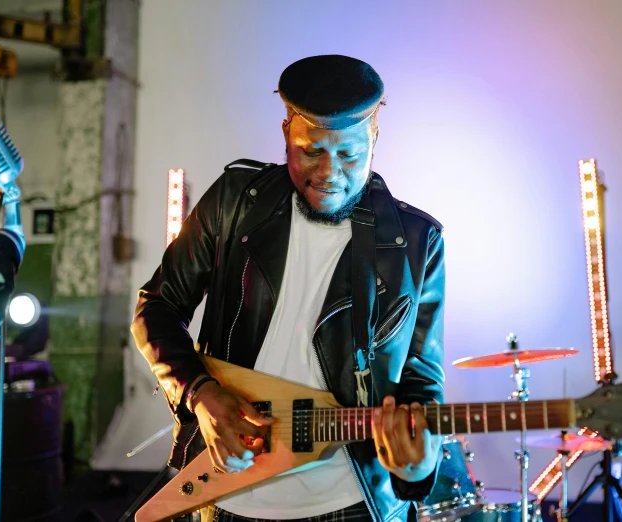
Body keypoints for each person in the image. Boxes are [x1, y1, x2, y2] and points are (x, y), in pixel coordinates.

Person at [132, 54, 446, 522]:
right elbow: (156, 307)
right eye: (311, 150)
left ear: (374, 139)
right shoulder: (235, 201)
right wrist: (200, 393)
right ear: (286, 134)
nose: (327, 172)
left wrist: (420, 460)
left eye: (349, 154)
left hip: (353, 503)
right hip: (226, 496)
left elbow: (421, 381)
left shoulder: (417, 242)